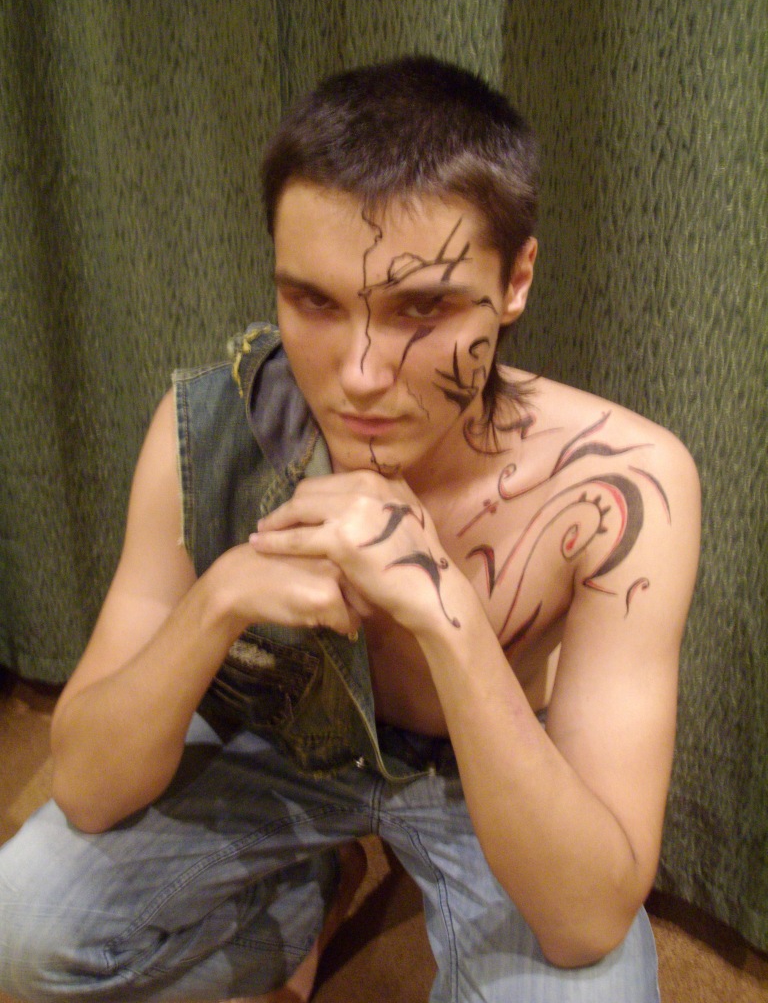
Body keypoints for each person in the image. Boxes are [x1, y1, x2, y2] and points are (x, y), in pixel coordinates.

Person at [0, 56, 700, 1003]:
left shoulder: (622, 484)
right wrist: (218, 601)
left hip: (489, 767)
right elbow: (84, 784)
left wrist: (450, 619)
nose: (361, 375)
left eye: (424, 306)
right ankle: (302, 901)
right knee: (19, 930)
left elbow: (586, 918)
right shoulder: (209, 430)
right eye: (315, 302)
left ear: (517, 280)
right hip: (285, 735)